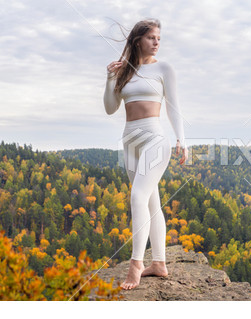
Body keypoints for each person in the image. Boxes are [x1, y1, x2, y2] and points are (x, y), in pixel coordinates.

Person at [103, 18, 188, 290]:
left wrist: (181, 140)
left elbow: (173, 107)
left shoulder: (164, 69)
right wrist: (109, 78)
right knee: (151, 202)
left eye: (159, 38)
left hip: (155, 138)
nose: (157, 43)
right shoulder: (124, 71)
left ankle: (136, 263)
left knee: (137, 196)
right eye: (152, 37)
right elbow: (110, 108)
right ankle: (160, 264)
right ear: (138, 39)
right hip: (129, 141)